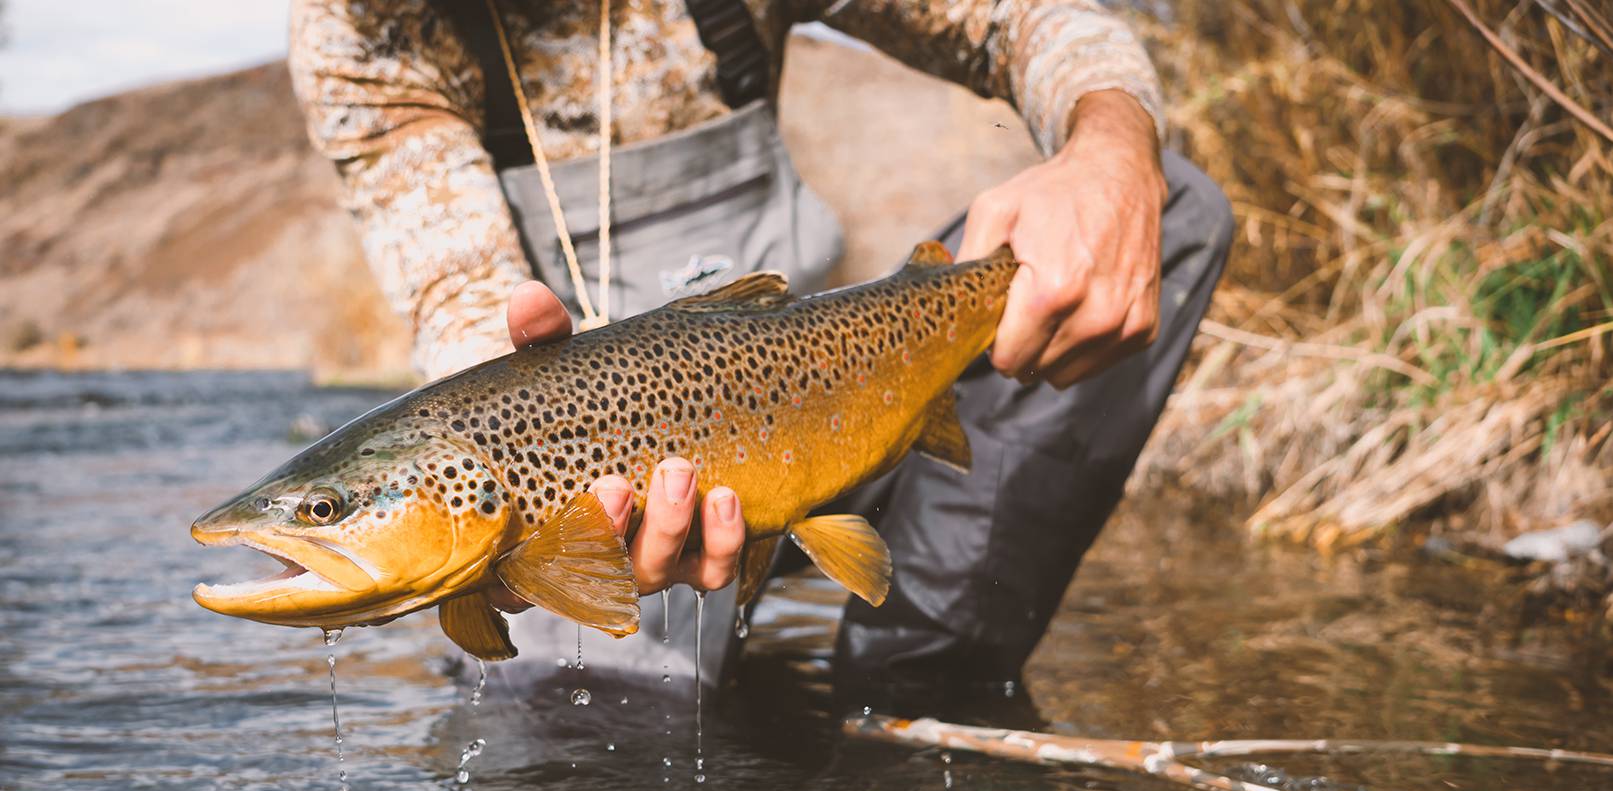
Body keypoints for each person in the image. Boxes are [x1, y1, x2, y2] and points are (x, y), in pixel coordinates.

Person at [288, 0, 1234, 702]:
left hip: (826, 380)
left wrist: (1110, 146)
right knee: (578, 758)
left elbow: (1016, 17)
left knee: (1172, 200)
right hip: (612, 498)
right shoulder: (361, 27)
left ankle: (923, 673)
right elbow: (463, 309)